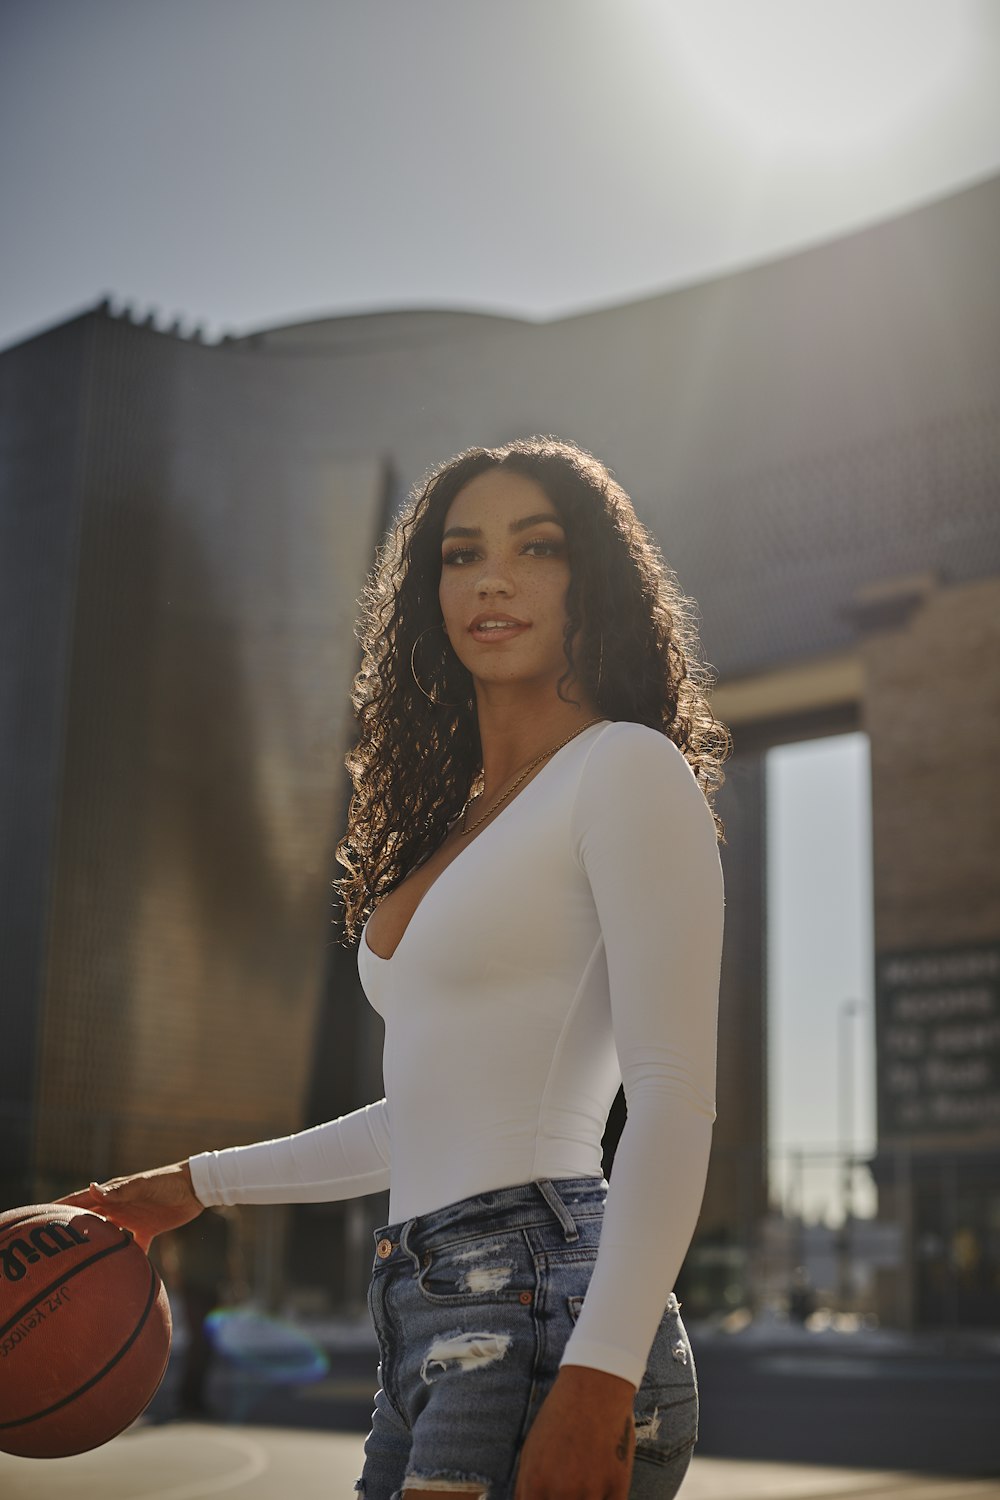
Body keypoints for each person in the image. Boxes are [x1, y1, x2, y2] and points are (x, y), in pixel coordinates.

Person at [62, 436, 729, 1499]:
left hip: (544, 1301)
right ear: (429, 593)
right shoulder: (442, 826)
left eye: (537, 547)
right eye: (460, 555)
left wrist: (601, 1374)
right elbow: (419, 1116)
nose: (493, 578)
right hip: (426, 1304)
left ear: (590, 575)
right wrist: (186, 1187)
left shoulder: (626, 770)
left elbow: (672, 1099)